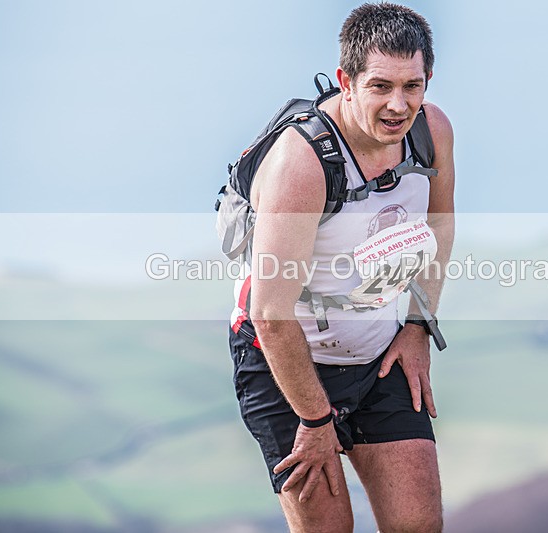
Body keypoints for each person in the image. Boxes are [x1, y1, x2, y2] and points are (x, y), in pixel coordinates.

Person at [228, 3, 454, 532]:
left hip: (377, 353)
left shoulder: (432, 130)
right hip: (284, 361)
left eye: (413, 86)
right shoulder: (301, 163)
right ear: (345, 81)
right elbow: (270, 312)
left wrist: (419, 326)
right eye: (380, 86)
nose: (399, 105)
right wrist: (314, 418)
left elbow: (439, 228)